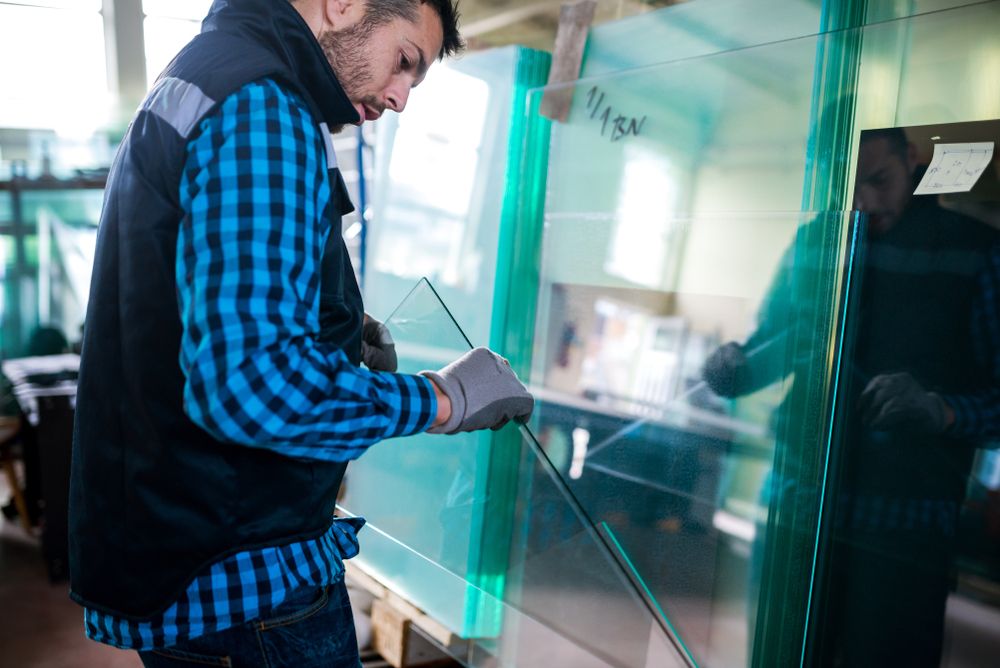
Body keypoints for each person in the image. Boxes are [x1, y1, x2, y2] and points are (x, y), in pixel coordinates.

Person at [67, 1, 533, 666]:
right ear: (344, 5)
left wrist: (332, 325)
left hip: (171, 542)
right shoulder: (263, 110)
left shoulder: (205, 76)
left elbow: (185, 297)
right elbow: (251, 388)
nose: (400, 97)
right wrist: (442, 399)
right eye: (405, 62)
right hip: (241, 575)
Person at [703, 127, 1000, 666]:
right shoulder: (816, 240)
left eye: (878, 180)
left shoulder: (978, 253)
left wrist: (941, 411)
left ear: (912, 158)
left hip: (905, 533)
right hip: (796, 512)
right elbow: (774, 348)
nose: (863, 203)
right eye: (845, 188)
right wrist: (731, 370)